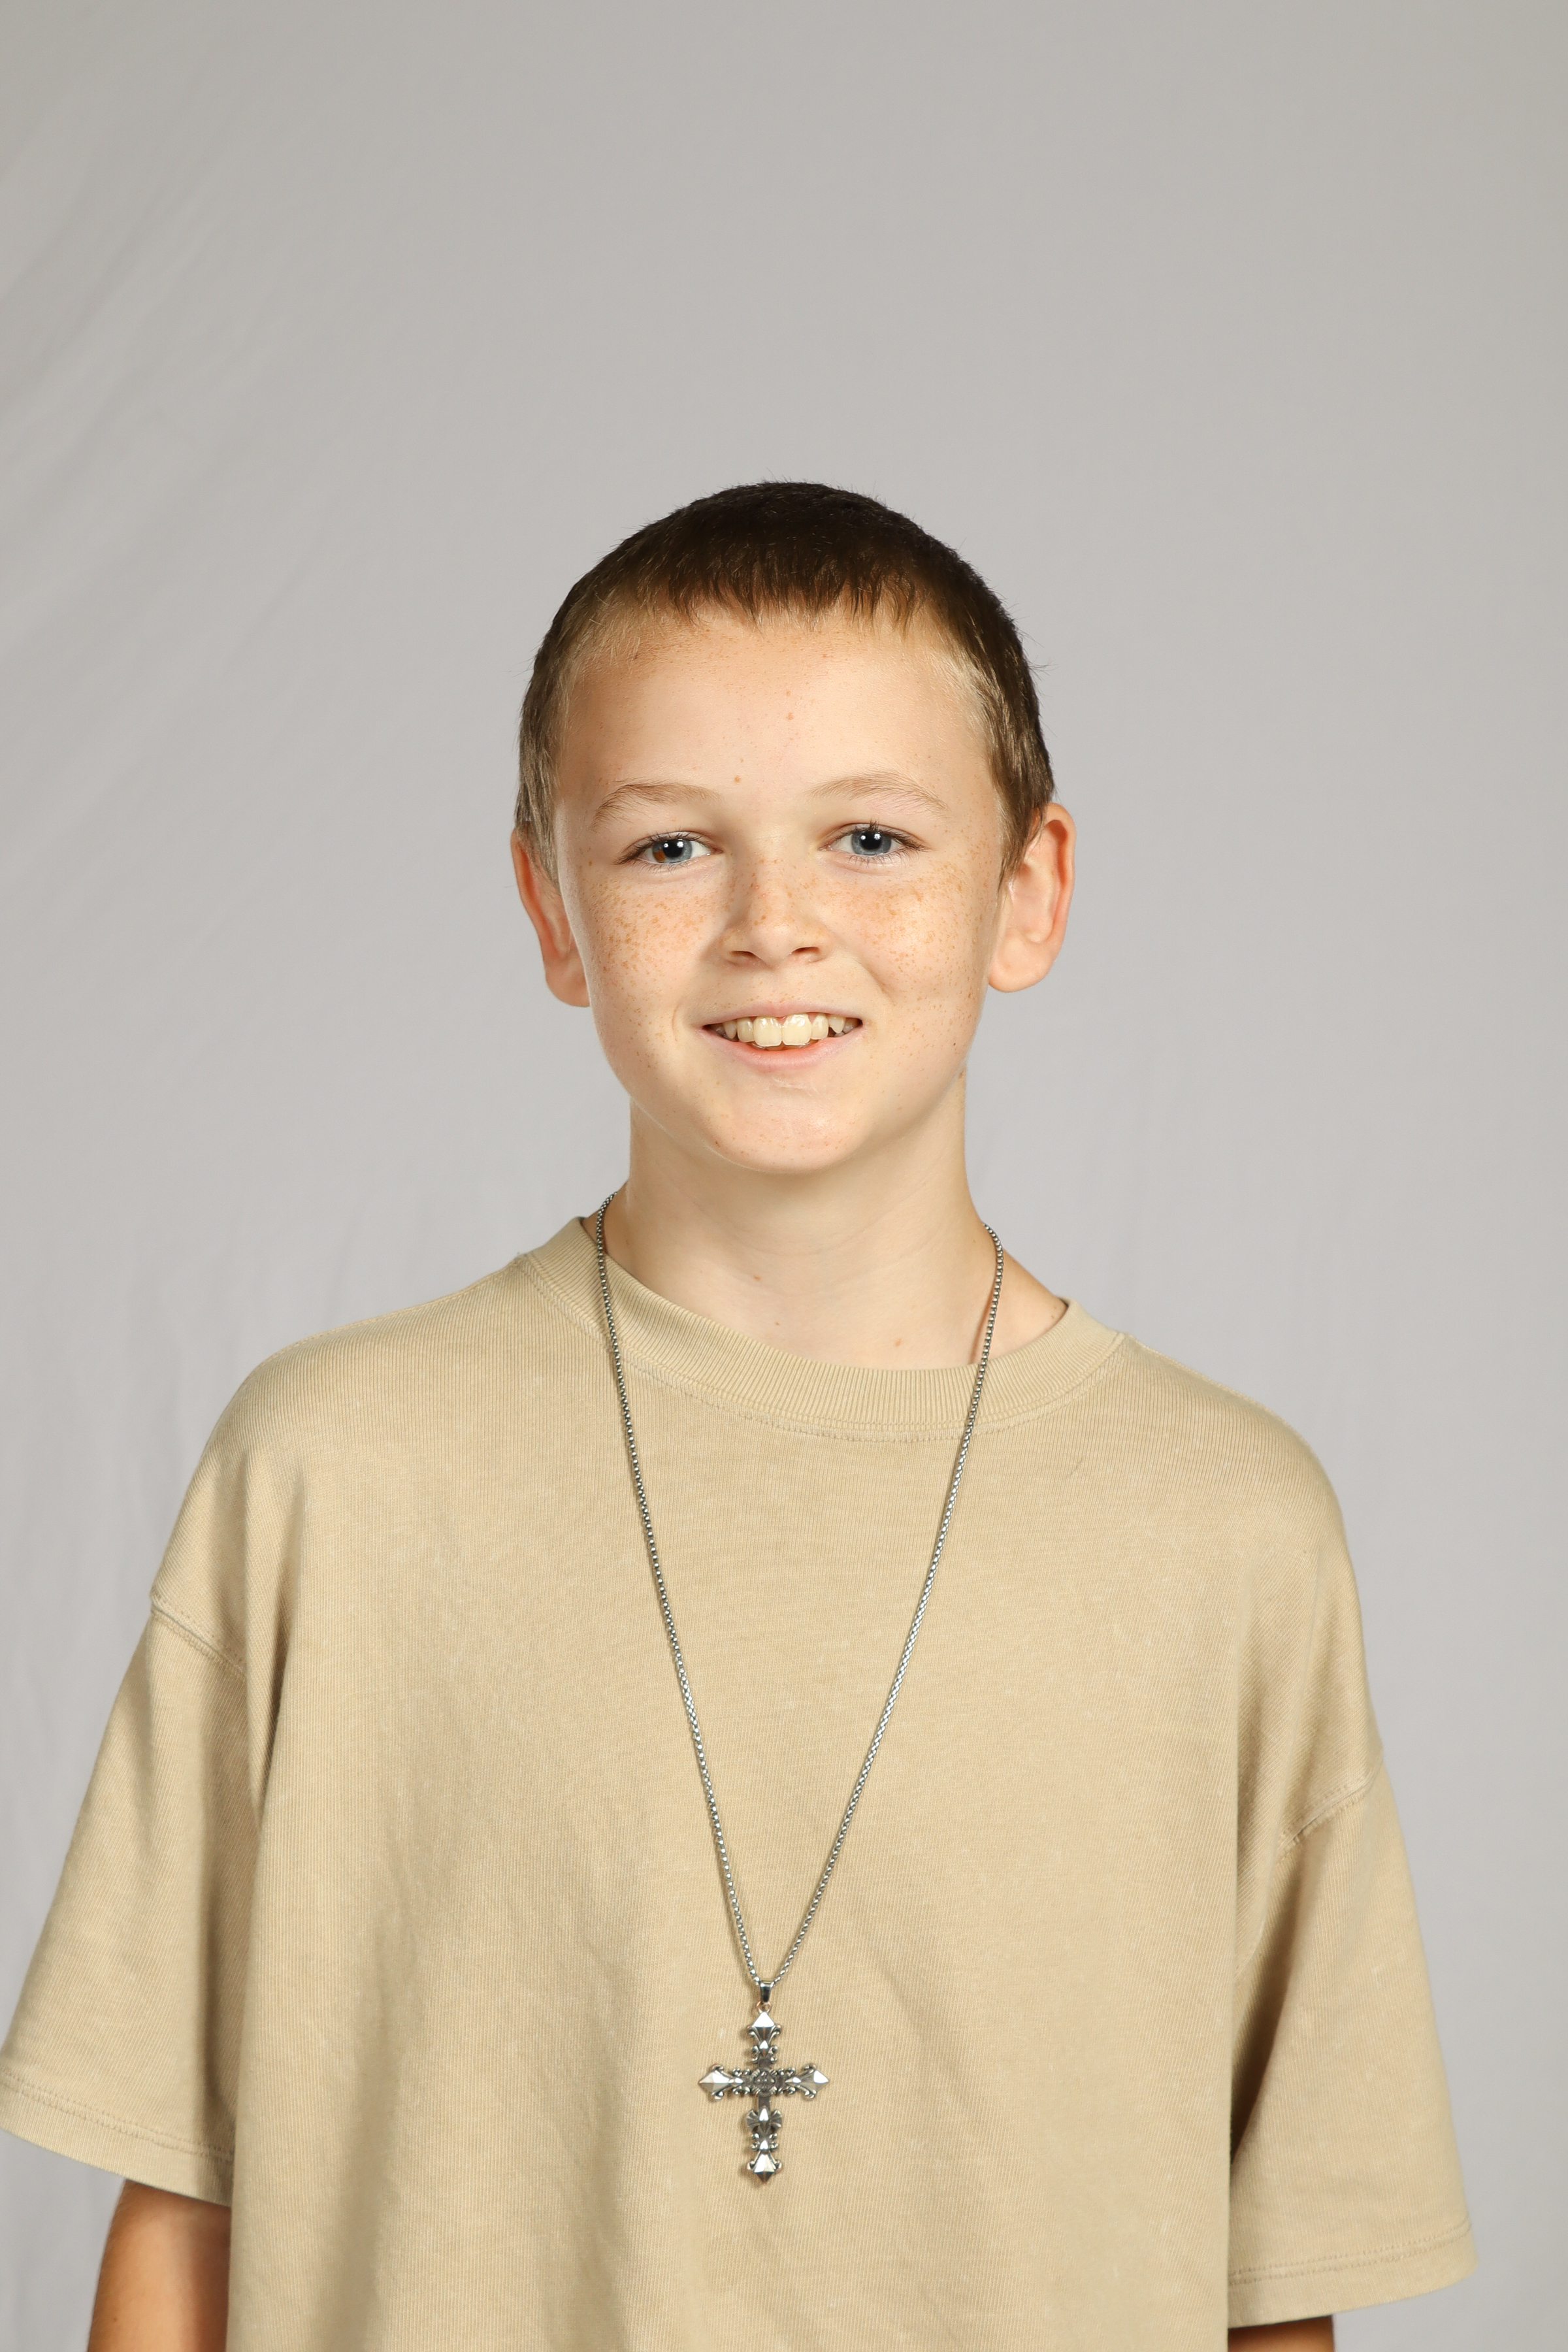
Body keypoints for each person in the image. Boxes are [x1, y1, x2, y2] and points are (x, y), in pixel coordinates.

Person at [0, 484, 1474, 2350]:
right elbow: (182, 2220)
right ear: (553, 908)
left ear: (1028, 892)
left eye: (871, 838)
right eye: (672, 846)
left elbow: (1281, 2297)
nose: (777, 926)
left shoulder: (1225, 1524)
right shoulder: (326, 1475)